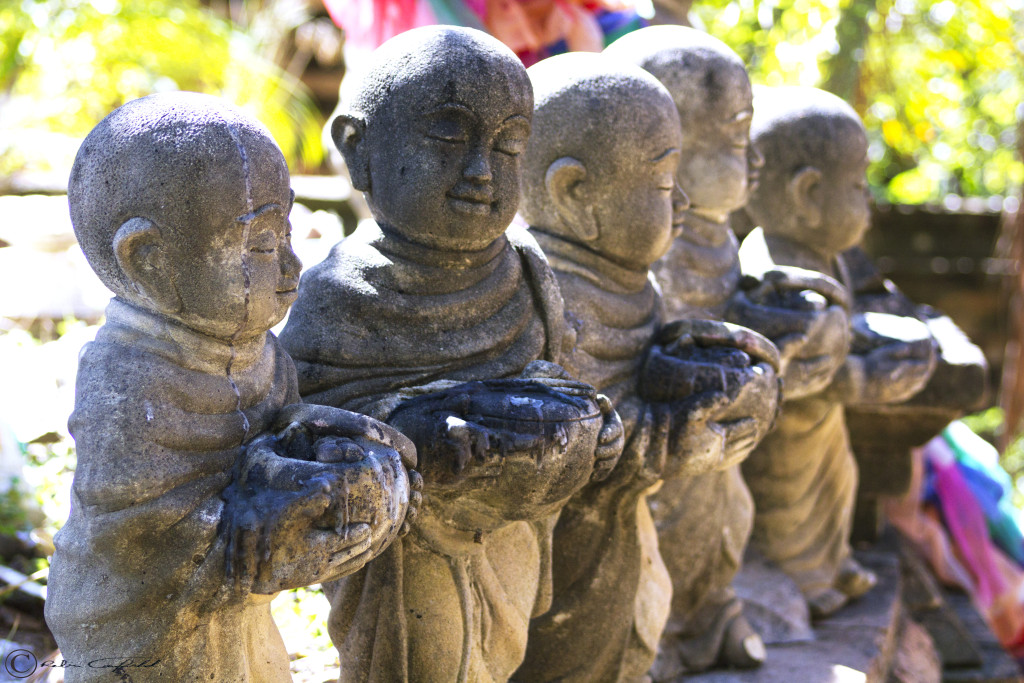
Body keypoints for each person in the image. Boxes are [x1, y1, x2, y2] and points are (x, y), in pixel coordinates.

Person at [279, 27, 623, 682]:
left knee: (498, 651)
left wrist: (594, 428)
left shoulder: (527, 271)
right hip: (404, 555)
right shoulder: (336, 296)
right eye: (447, 136)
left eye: (509, 145)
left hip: (509, 533)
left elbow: (556, 375)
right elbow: (303, 429)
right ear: (360, 150)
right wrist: (414, 436)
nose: (481, 170)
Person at [45, 92, 416, 681]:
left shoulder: (263, 353)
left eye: (288, 236)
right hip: (146, 630)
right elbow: (136, 537)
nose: (293, 268)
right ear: (150, 262)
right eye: (263, 246)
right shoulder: (125, 378)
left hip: (239, 618)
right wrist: (263, 524)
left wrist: (344, 453)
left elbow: (280, 438)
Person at [514, 52, 780, 682]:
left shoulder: (632, 283)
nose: (683, 200)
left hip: (632, 523)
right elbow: (567, 438)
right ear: (574, 194)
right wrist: (670, 432)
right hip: (572, 550)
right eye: (665, 185)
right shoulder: (551, 299)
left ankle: (701, 620)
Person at [741, 85, 937, 617]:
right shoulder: (776, 272)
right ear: (807, 193)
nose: (868, 197)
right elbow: (797, 365)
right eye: (856, 184)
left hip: (822, 427)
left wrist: (871, 335)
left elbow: (838, 327)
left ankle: (830, 563)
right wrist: (865, 380)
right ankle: (800, 576)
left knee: (837, 483)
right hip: (788, 430)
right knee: (791, 505)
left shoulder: (823, 256)